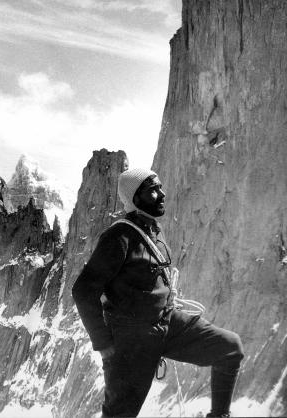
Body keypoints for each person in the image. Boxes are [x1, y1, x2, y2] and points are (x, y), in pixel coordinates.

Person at [72, 167, 244, 418]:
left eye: (160, 187)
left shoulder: (154, 230)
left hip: (166, 324)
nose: (162, 194)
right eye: (153, 190)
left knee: (230, 347)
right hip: (131, 342)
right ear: (134, 198)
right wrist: (103, 343)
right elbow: (83, 290)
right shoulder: (118, 236)